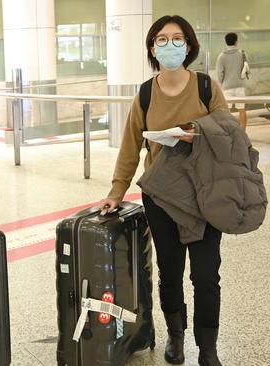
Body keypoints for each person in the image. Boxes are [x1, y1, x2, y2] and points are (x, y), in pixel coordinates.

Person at [100, 15, 229, 366]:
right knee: (169, 274)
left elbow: (227, 131)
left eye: (177, 39)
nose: (169, 45)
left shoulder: (206, 87)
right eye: (161, 39)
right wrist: (116, 190)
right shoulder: (145, 93)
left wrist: (196, 133)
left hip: (204, 194)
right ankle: (175, 337)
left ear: (188, 46)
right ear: (152, 48)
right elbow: (130, 148)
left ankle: (208, 347)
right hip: (161, 197)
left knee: (205, 275)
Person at [216, 32, 248, 129]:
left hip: (227, 87)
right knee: (242, 110)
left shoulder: (221, 56)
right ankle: (243, 133)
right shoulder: (242, 54)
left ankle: (228, 132)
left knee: (226, 111)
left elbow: (219, 73)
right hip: (240, 86)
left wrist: (223, 83)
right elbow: (245, 68)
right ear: (236, 42)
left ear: (226, 42)